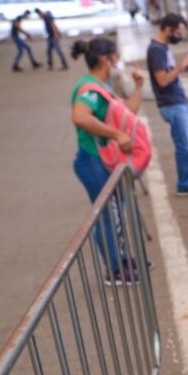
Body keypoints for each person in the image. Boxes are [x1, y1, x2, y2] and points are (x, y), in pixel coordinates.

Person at [70, 37, 146, 285]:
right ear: (105, 59)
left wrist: (138, 87)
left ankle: (121, 260)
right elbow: (80, 117)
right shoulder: (89, 89)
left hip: (103, 161)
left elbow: (128, 113)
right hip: (92, 161)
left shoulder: (103, 86)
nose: (119, 61)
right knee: (106, 216)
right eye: (116, 56)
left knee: (114, 213)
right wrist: (116, 134)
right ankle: (114, 270)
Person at [146, 13, 188, 195]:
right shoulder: (156, 50)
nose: (180, 37)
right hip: (171, 104)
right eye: (178, 33)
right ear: (167, 29)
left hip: (179, 101)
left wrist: (183, 67)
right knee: (184, 145)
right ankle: (184, 183)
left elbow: (169, 74)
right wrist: (181, 66)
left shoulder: (163, 48)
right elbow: (162, 80)